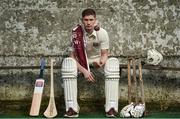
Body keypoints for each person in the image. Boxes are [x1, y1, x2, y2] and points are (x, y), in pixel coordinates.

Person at [61, 8, 120, 118]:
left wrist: (101, 63)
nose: (88, 23)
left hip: (97, 60)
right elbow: (72, 57)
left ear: (95, 20)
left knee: (113, 64)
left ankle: (111, 108)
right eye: (86, 20)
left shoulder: (102, 33)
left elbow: (105, 54)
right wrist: (84, 71)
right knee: (68, 63)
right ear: (82, 20)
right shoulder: (76, 34)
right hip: (81, 62)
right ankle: (72, 108)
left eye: (91, 20)